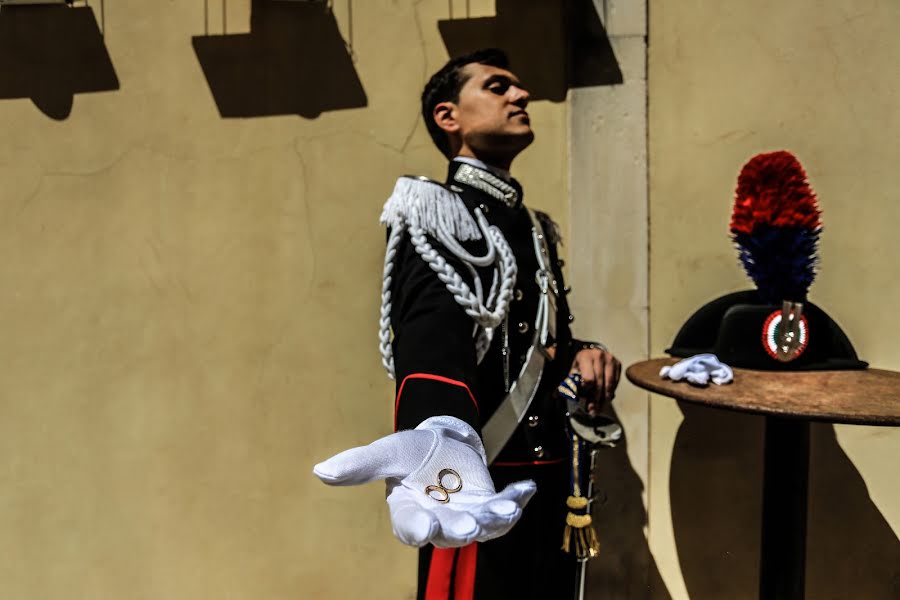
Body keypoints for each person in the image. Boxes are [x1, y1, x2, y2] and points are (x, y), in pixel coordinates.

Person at [314, 49, 621, 600]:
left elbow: (537, 336)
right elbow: (432, 338)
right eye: (498, 87)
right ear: (448, 117)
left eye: (518, 88)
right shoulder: (433, 208)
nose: (520, 96)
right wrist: (443, 433)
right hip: (475, 485)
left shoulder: (533, 228)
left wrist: (581, 353)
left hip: (551, 480)